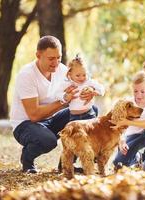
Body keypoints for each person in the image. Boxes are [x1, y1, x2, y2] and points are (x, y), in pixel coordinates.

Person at [10, 36, 97, 173]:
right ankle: (27, 159)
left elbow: (84, 81)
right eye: (51, 59)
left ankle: (66, 164)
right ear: (38, 55)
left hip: (51, 118)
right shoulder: (27, 75)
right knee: (48, 141)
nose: (56, 63)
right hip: (25, 125)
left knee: (88, 112)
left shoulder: (62, 70)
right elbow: (34, 115)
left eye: (59, 57)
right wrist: (63, 101)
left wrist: (90, 92)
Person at [113, 71, 145, 168]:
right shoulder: (129, 104)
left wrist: (132, 122)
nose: (138, 95)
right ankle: (136, 159)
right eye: (135, 91)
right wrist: (121, 141)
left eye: (142, 92)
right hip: (132, 137)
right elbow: (119, 126)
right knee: (118, 162)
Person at [47, 54, 104, 121]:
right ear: (70, 74)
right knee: (75, 131)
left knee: (92, 130)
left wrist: (94, 92)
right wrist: (64, 96)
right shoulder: (68, 84)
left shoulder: (88, 81)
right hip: (74, 117)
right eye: (78, 75)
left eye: (84, 75)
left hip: (89, 114)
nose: (82, 78)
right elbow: (56, 94)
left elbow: (102, 89)